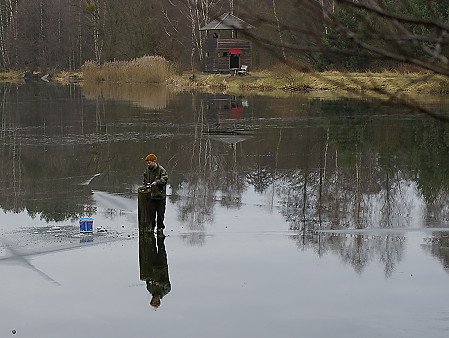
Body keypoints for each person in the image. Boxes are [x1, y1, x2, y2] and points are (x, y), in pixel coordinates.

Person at [139, 233, 171, 309]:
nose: (154, 299)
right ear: (159, 301)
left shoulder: (149, 289)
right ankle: (160, 235)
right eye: (155, 301)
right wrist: (159, 283)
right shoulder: (166, 291)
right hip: (162, 266)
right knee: (161, 247)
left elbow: (148, 279)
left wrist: (149, 280)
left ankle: (153, 236)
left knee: (152, 247)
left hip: (152, 266)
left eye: (153, 301)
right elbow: (166, 283)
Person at [143, 153, 168, 233]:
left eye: (149, 163)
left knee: (160, 215)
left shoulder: (161, 170)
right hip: (151, 197)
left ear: (154, 162)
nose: (148, 164)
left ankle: (160, 229)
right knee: (151, 215)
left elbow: (164, 179)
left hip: (160, 197)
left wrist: (156, 183)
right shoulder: (147, 171)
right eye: (147, 163)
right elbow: (145, 181)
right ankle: (151, 229)